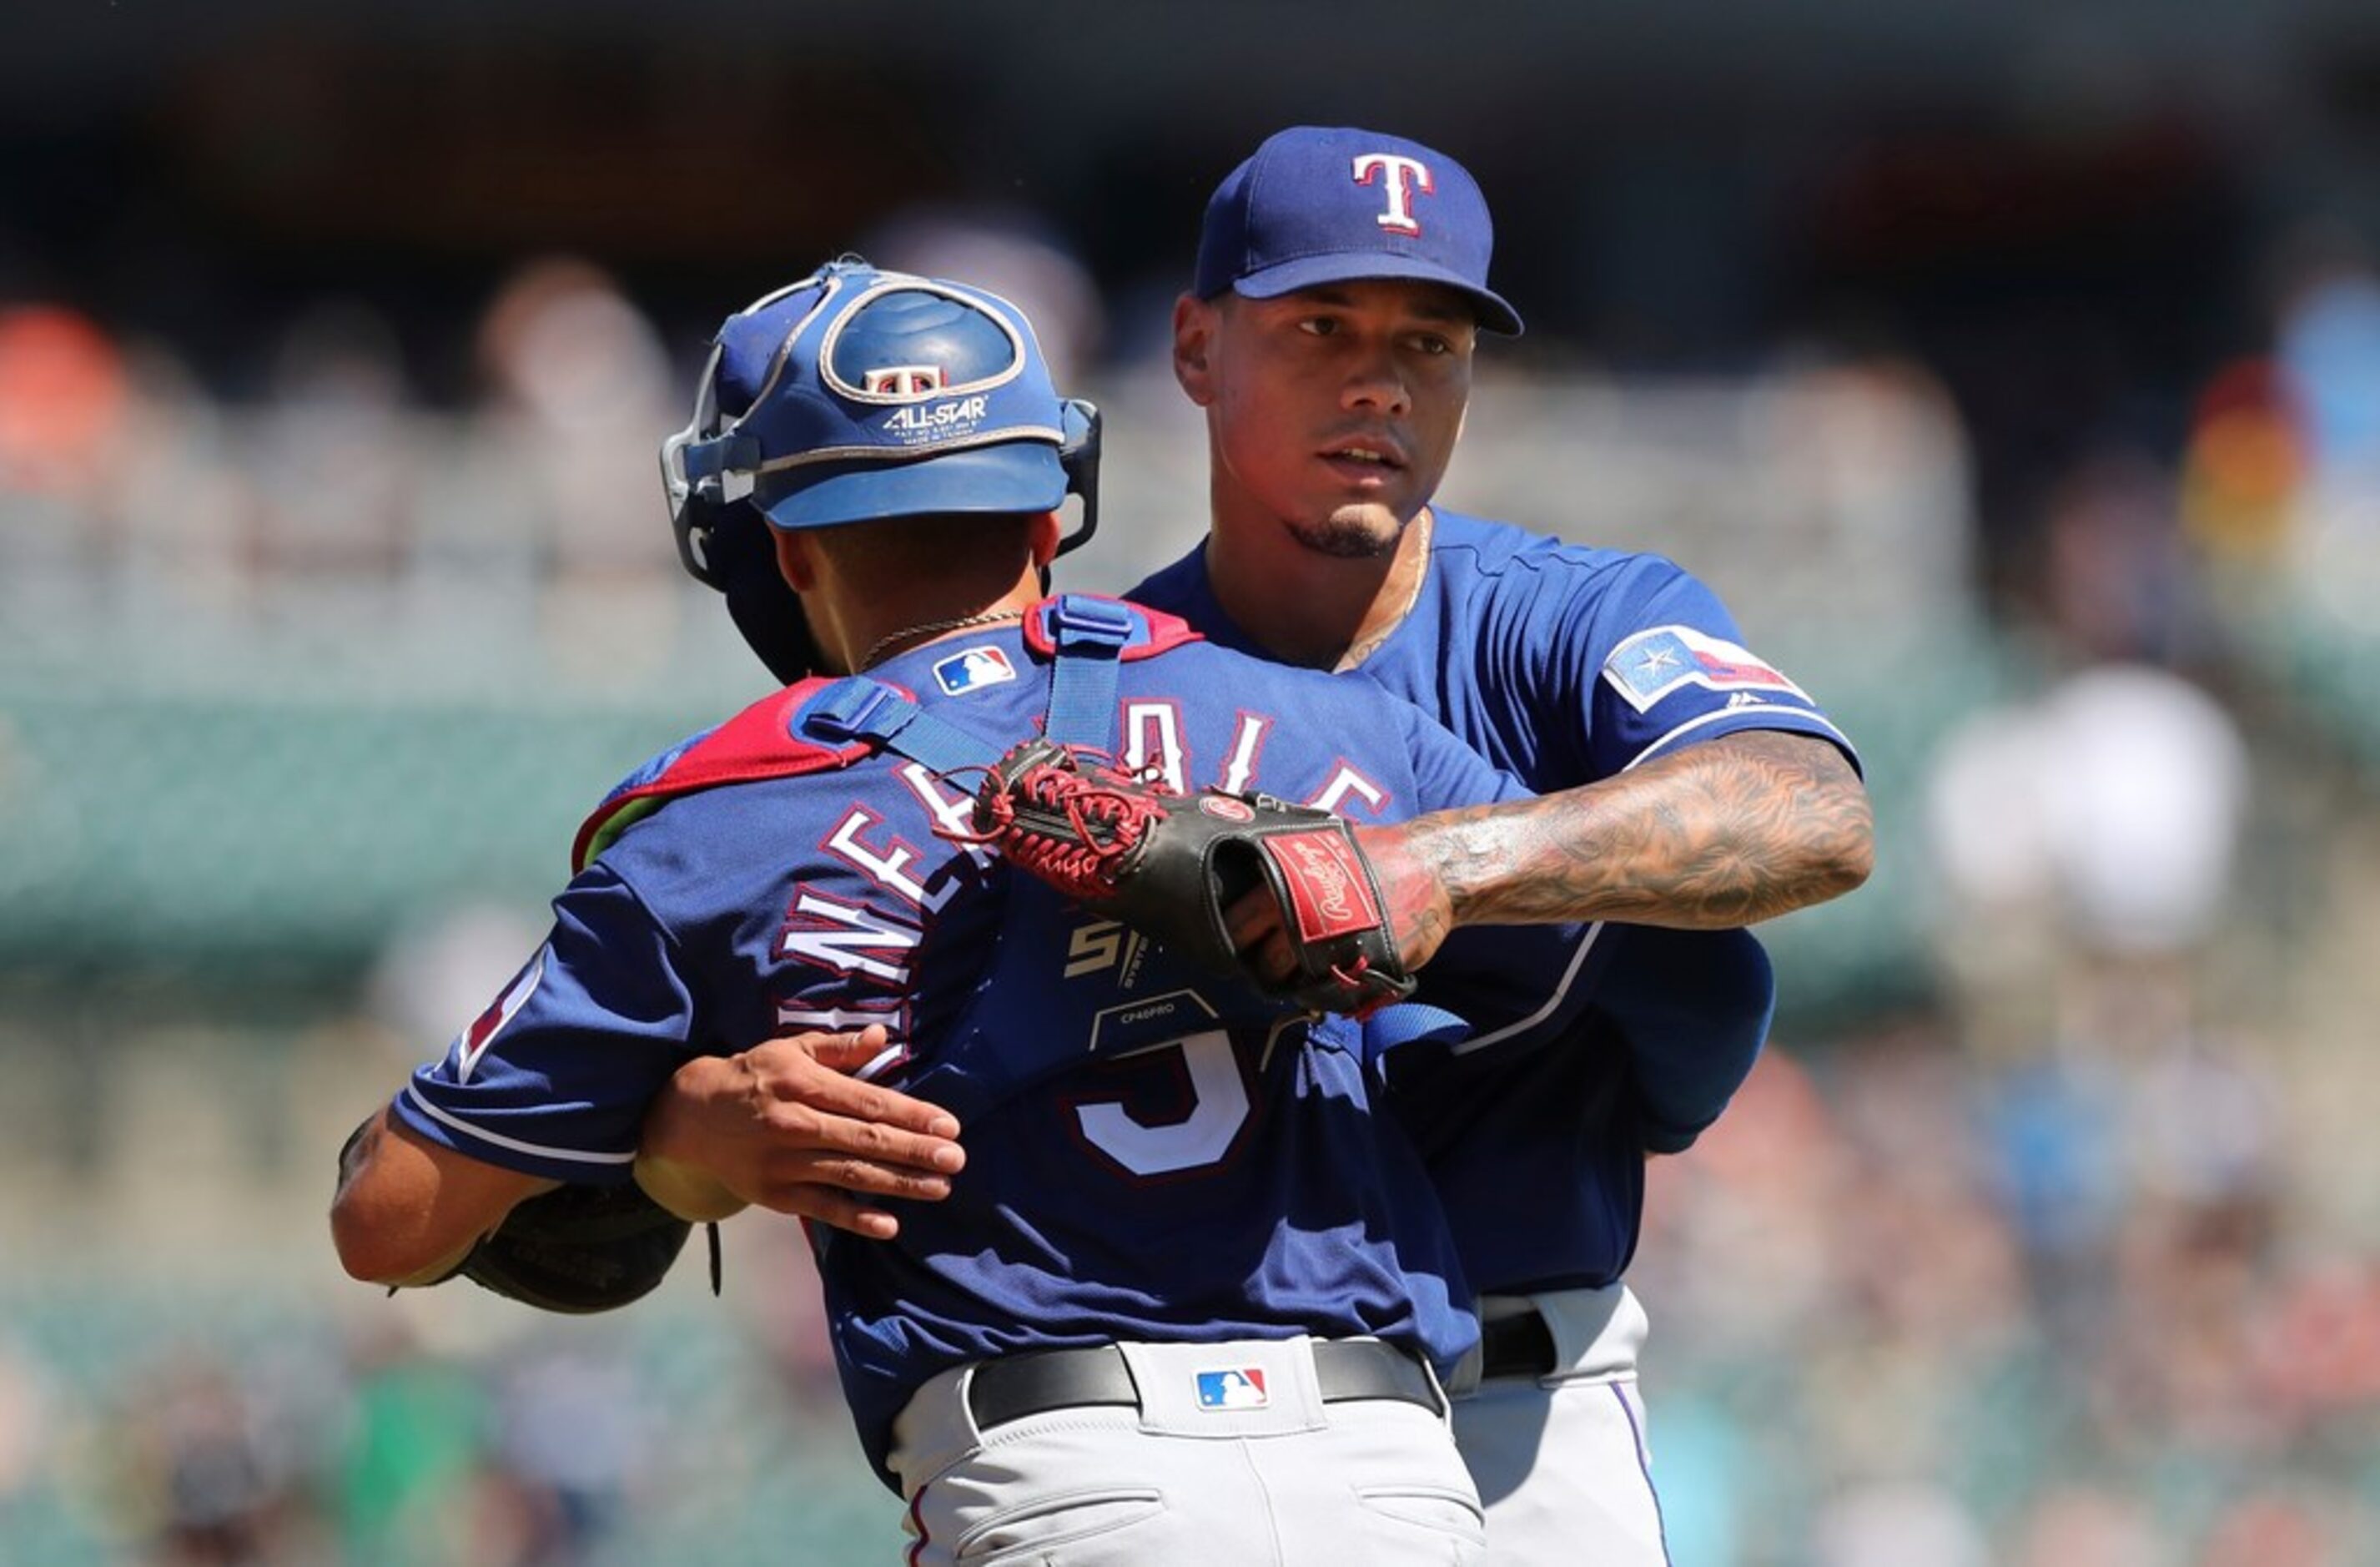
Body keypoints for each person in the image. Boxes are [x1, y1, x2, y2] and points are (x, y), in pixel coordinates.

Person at [330, 259, 1618, 1564]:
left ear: (782, 544)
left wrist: (673, 1141)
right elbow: (1594, 960)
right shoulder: (1318, 723)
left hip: (1065, 1479)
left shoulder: (711, 825)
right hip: (1392, 1476)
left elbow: (384, 1213)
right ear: (1049, 516)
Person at [1124, 123, 1874, 1564]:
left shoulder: (1562, 617)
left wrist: (1439, 867)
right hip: (1193, 1423)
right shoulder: (1106, 684)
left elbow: (1812, 810)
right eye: (1320, 325)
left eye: (1431, 342)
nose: (1377, 381)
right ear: (1196, 344)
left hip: (1520, 1418)